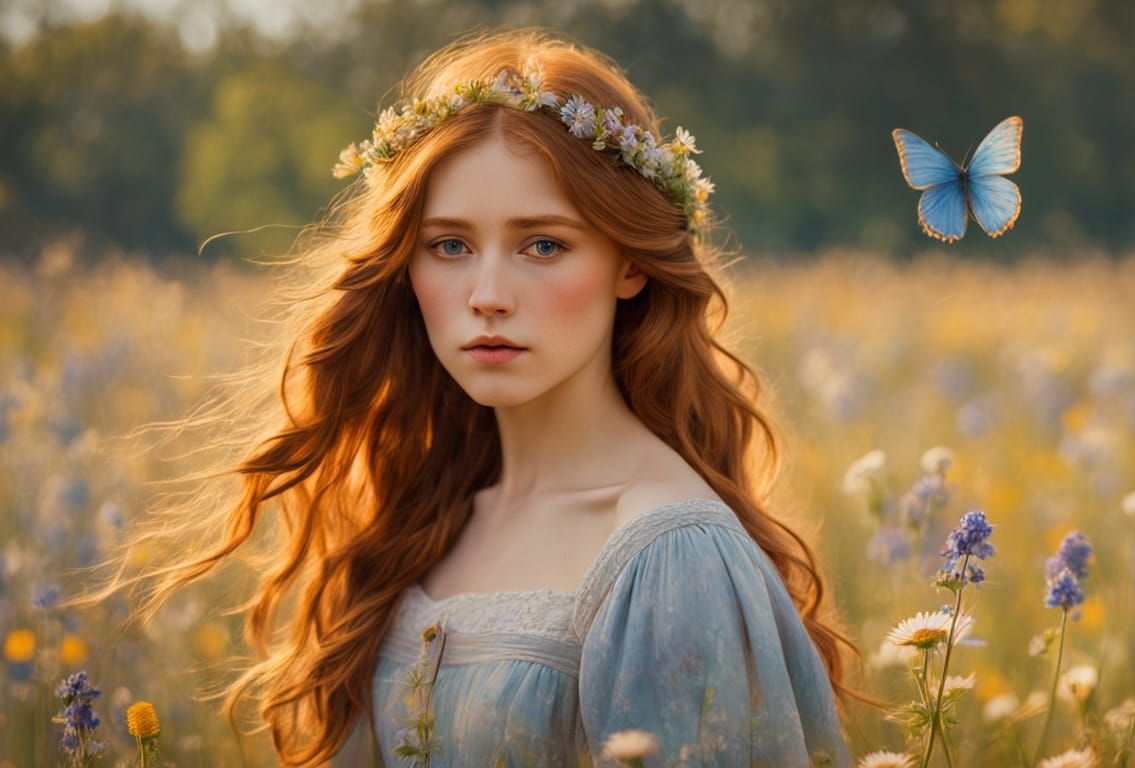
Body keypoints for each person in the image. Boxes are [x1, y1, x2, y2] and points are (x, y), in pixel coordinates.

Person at [76, 26, 868, 767]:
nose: (487, 294)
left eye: (543, 245)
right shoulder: (428, 510)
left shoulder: (668, 554)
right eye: (450, 245)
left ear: (630, 264)